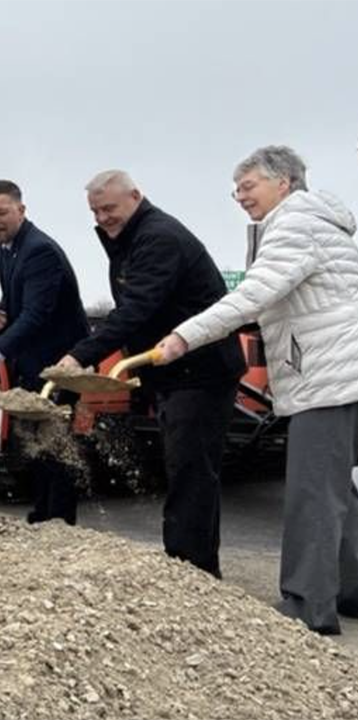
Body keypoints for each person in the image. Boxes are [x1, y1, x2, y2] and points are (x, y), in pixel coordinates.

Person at [157, 146, 358, 635]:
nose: (239, 196)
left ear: (283, 182)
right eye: (236, 188)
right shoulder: (325, 224)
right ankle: (350, 592)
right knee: (342, 492)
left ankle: (308, 605)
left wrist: (185, 335)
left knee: (313, 492)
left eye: (248, 186)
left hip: (329, 378)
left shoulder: (293, 224)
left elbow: (253, 295)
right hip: (347, 370)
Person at [57, 170, 245, 577]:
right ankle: (193, 567)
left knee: (191, 471)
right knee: (186, 469)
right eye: (95, 211)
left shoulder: (158, 237)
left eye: (109, 207)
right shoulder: (128, 237)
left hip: (201, 369)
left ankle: (189, 571)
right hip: (175, 370)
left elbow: (137, 306)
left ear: (135, 196)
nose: (102, 217)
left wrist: (80, 355)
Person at [0, 179, 89, 525]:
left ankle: (60, 520)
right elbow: (18, 295)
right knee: (34, 439)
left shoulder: (39, 250)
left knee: (55, 440)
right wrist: (3, 312)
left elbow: (36, 314)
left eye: (1, 212)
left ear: (21, 210)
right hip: (32, 358)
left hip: (60, 361)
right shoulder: (4, 246)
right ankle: (42, 512)